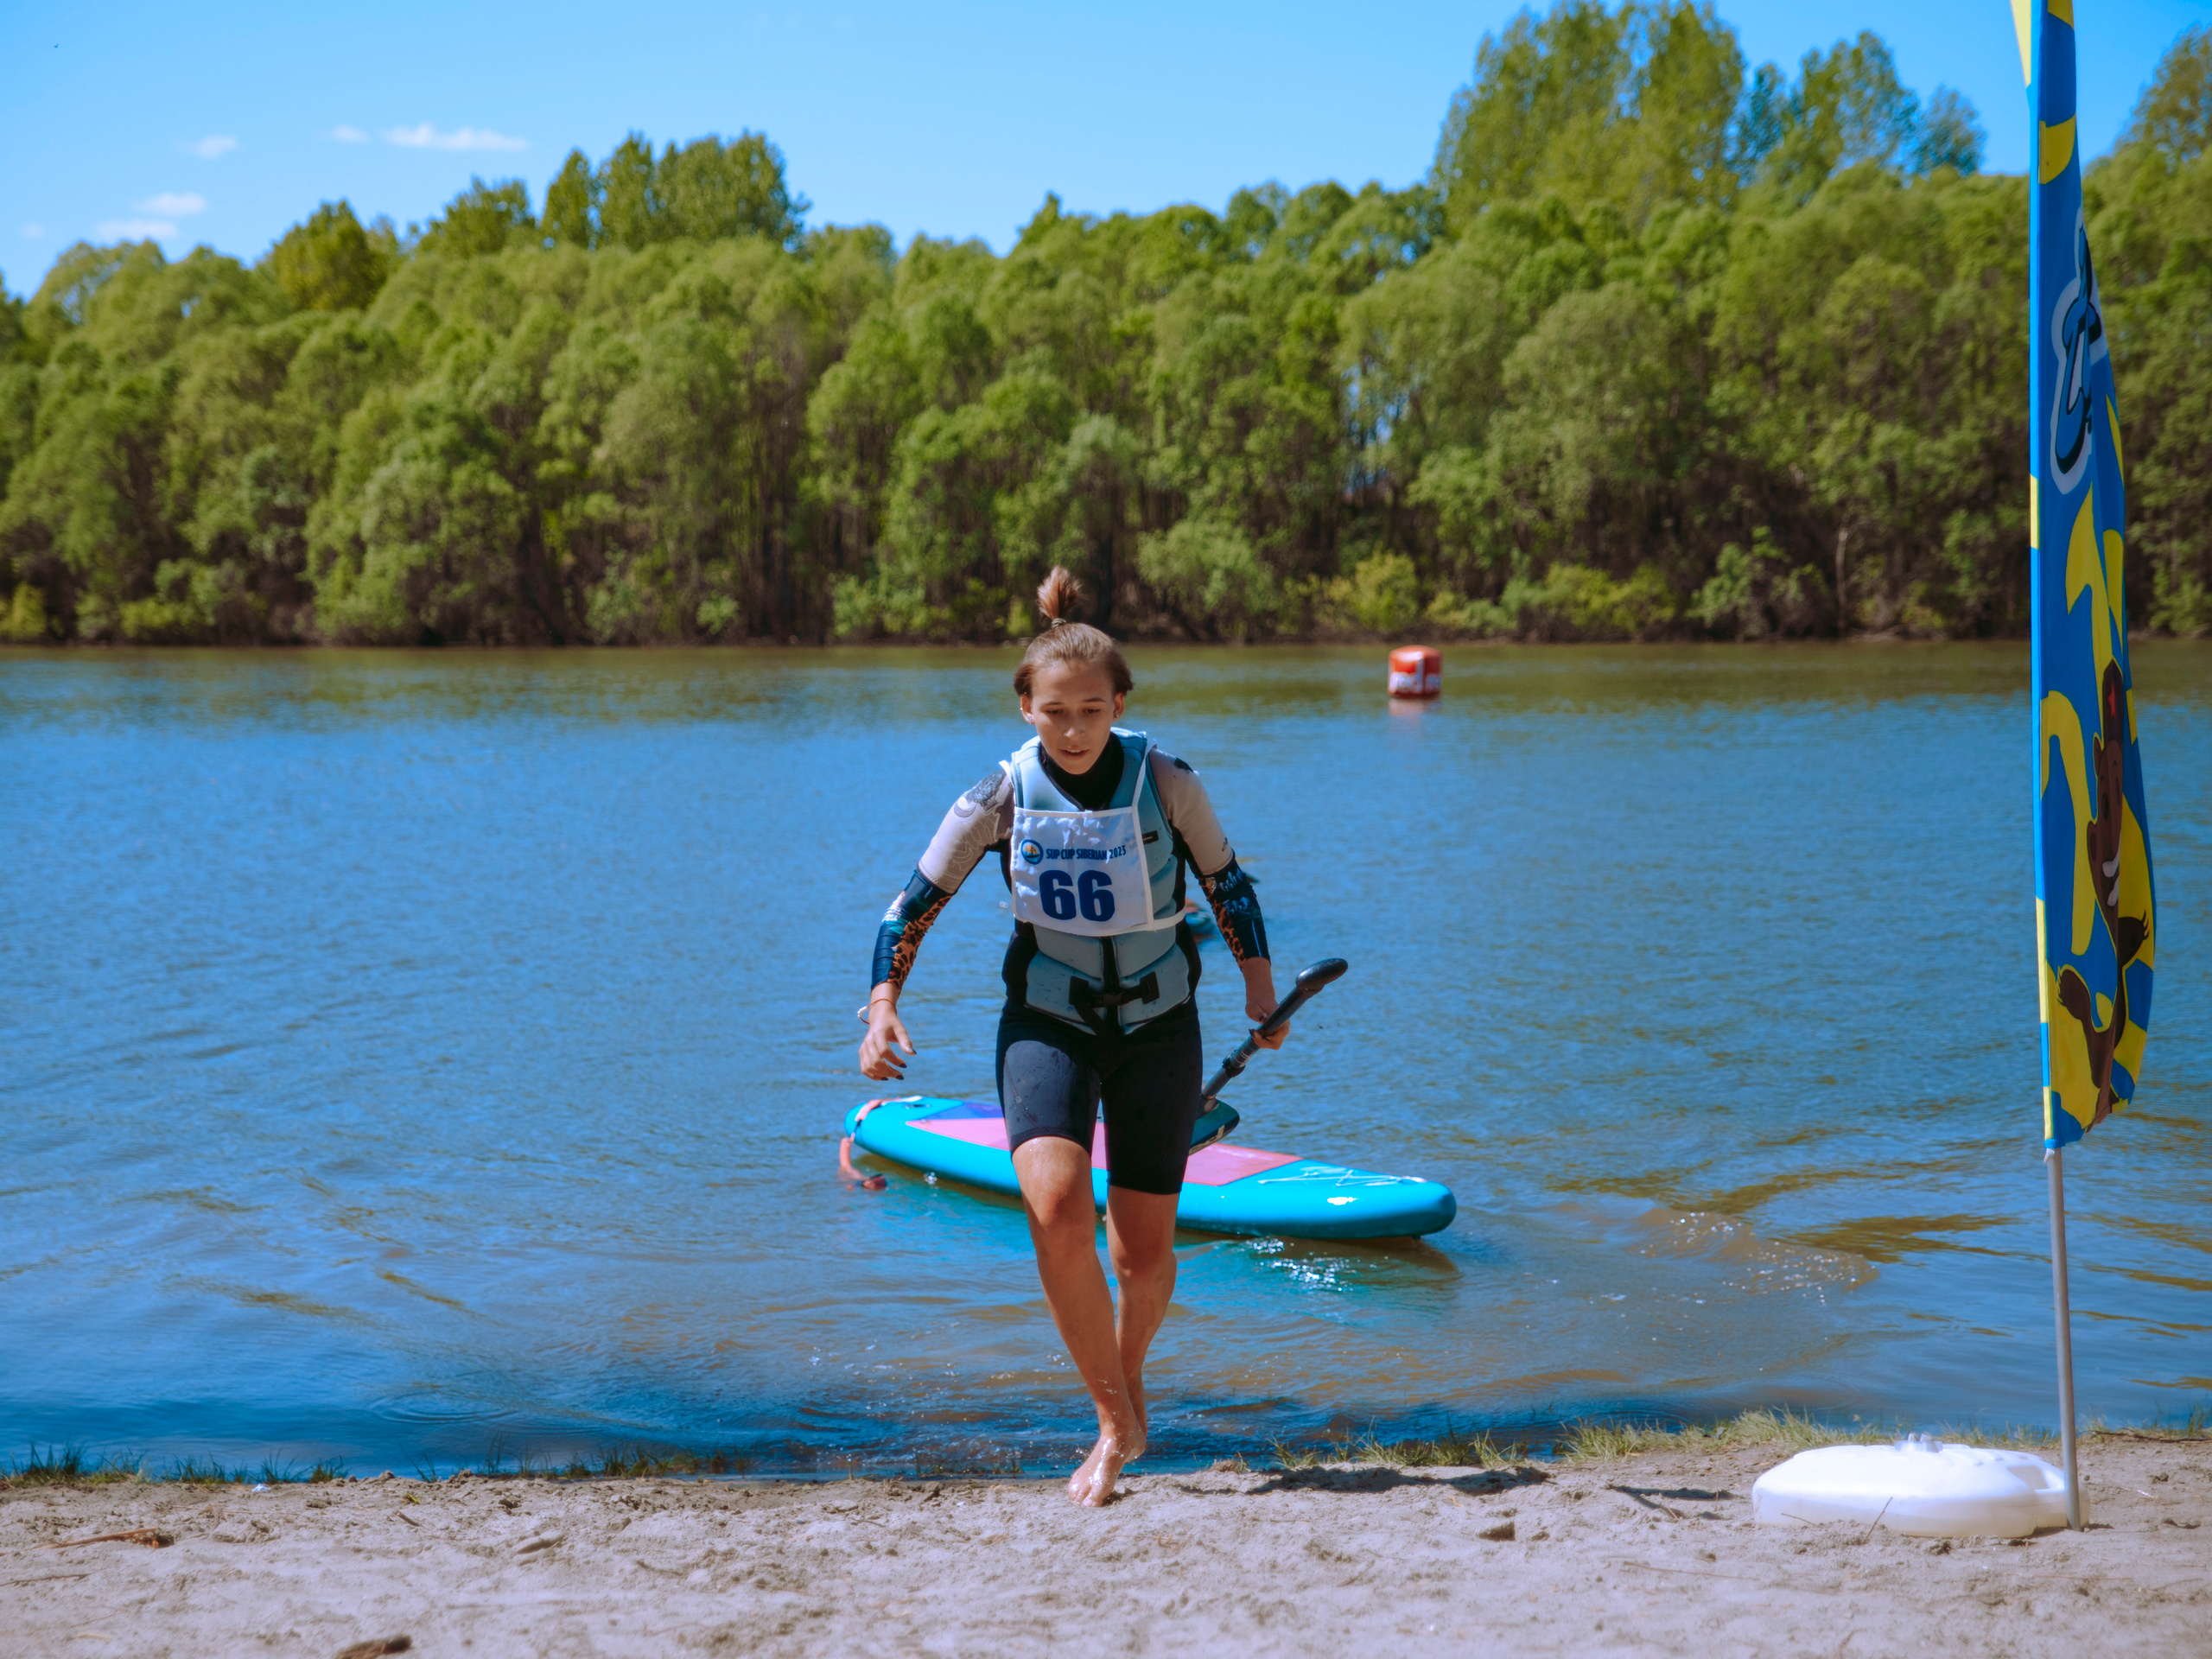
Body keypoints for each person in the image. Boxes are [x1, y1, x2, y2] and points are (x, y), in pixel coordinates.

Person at [859, 567, 1286, 1507]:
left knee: (1139, 1250)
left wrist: (1258, 982)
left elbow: (1230, 886)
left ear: (1119, 704)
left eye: (1092, 709)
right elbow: (911, 906)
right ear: (1025, 709)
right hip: (1046, 1023)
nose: (1074, 727)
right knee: (1053, 1209)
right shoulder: (997, 796)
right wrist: (884, 1000)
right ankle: (1107, 1417)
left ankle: (1127, 1385)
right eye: (1055, 712)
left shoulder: (1166, 781)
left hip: (1157, 1027)